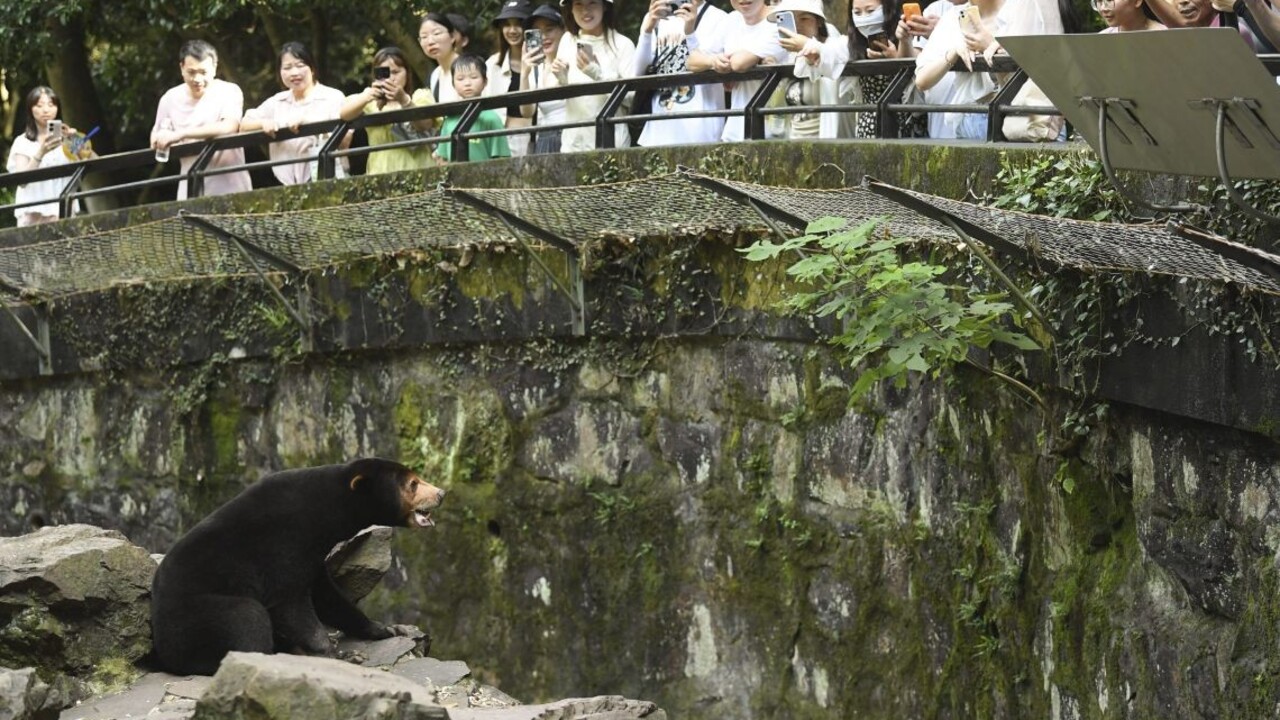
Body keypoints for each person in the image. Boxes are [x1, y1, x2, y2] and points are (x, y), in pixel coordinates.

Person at [913, 0, 1063, 140]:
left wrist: (989, 45)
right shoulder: (953, 17)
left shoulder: (1022, 8)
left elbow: (1041, 73)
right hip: (973, 120)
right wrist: (953, 54)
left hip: (1025, 118)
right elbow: (921, 80)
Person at [151, 40, 252, 199]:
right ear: (181, 68)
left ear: (214, 68)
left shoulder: (229, 91)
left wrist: (181, 134)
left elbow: (229, 126)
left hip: (232, 188)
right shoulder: (169, 99)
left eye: (203, 72)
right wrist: (161, 137)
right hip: (190, 189)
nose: (197, 79)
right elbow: (156, 137)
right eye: (191, 72)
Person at [240, 42, 348, 185]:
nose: (294, 73)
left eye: (300, 65)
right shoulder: (277, 102)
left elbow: (346, 141)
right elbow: (244, 125)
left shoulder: (333, 97)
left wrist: (311, 124)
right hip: (286, 184)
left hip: (329, 179)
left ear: (312, 68)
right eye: (287, 67)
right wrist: (263, 123)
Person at [631, 0, 730, 146]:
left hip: (702, 130)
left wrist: (690, 32)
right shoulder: (659, 16)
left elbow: (702, 63)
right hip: (658, 130)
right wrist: (647, 31)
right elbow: (637, 73)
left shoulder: (719, 18)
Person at [691, 0, 788, 142]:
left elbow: (739, 63)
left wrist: (726, 63)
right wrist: (713, 61)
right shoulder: (731, 20)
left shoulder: (782, 19)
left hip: (777, 131)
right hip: (735, 129)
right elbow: (692, 61)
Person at [547, 0, 637, 152]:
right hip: (573, 145)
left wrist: (597, 74)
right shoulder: (567, 40)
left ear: (605, 6)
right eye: (578, 4)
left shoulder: (623, 44)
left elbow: (632, 98)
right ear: (571, 9)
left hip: (612, 145)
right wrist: (561, 77)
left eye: (592, 3)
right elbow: (559, 96)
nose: (585, 11)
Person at [339, 47, 438, 175]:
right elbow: (344, 114)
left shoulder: (419, 96)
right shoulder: (369, 102)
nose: (391, 78)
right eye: (385, 73)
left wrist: (404, 100)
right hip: (380, 169)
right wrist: (367, 96)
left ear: (407, 73)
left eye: (396, 72)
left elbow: (425, 124)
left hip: (418, 168)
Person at [5, 87, 93, 226]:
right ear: (30, 109)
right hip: (34, 215)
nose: (46, 110)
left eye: (51, 105)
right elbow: (21, 181)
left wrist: (77, 141)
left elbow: (94, 162)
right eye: (39, 105)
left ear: (57, 108)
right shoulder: (22, 142)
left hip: (64, 212)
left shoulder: (68, 140)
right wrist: (41, 152)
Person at [770, 0, 854, 139]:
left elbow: (836, 52)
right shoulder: (790, 56)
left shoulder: (834, 44)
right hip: (795, 139)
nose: (797, 26)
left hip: (828, 142)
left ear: (819, 21)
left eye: (804, 19)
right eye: (791, 20)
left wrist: (809, 46)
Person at [435, 54, 512, 163]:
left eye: (474, 77)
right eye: (460, 79)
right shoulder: (449, 120)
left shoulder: (492, 118)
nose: (467, 83)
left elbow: (502, 158)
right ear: (453, 84)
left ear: (485, 81)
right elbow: (443, 158)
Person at [849, 0, 907, 138]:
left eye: (870, 11)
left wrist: (895, 58)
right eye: (857, 12)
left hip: (904, 122)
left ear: (888, 9)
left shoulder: (905, 37)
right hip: (868, 126)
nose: (864, 18)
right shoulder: (853, 44)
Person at [518, 4, 571, 154]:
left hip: (574, 133)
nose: (544, 37)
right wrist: (524, 74)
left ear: (564, 30)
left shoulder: (574, 58)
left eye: (549, 29)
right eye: (538, 32)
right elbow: (527, 112)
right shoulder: (536, 68)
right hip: (545, 139)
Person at [486, 0, 536, 156]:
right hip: (504, 140)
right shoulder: (492, 65)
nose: (512, 30)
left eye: (519, 24)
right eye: (507, 24)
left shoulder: (543, 62)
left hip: (540, 137)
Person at [420, 13, 467, 103]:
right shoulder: (435, 75)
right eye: (424, 37)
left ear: (452, 36)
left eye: (436, 33)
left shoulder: (469, 67)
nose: (430, 41)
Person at [1094, 0, 1166, 30]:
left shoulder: (1165, 34)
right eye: (1099, 0)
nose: (1103, 8)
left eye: (1110, 0)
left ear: (1137, 1)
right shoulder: (1102, 39)